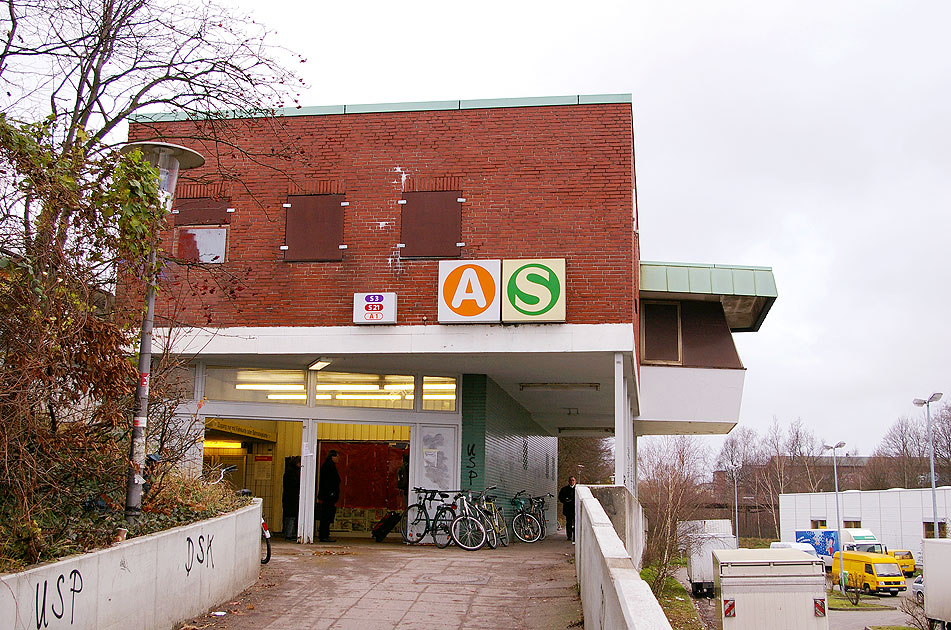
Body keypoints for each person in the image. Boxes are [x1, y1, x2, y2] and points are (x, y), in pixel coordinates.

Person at [317, 450, 341, 542]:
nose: (338, 459)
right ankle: (324, 535)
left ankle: (324, 535)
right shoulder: (329, 466)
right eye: (337, 457)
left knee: (326, 515)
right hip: (329, 495)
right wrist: (331, 493)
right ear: (333, 457)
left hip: (327, 495)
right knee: (326, 516)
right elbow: (330, 481)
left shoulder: (327, 465)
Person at [558, 476, 577, 542]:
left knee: (575, 523)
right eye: (571, 480)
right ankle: (569, 536)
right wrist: (565, 500)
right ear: (568, 481)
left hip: (575, 509)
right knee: (568, 522)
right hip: (568, 509)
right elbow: (560, 497)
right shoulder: (564, 489)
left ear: (575, 481)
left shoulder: (577, 489)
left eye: (573, 480)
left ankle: (575, 536)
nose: (572, 482)